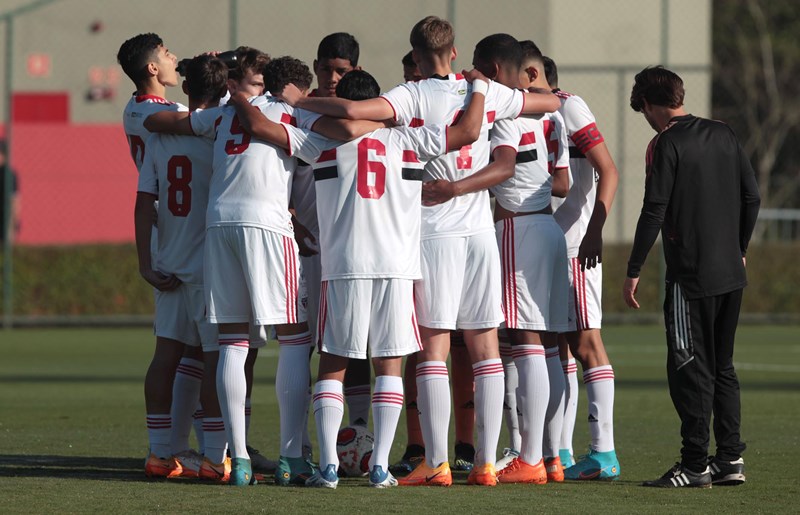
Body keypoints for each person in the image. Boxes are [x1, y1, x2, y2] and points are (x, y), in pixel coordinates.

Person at [281, 20, 560, 488]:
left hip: (430, 235)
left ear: (415, 54)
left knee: (430, 350)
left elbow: (350, 115)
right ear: (453, 51)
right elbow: (550, 102)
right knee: (485, 347)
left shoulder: (409, 98)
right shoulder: (486, 91)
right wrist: (483, 87)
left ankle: (436, 462)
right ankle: (488, 464)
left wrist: (299, 102)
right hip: (480, 234)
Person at [230, 68, 488, 488]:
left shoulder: (322, 142)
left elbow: (261, 126)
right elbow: (466, 133)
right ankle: (380, 467)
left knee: (333, 365)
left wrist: (240, 96)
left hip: (343, 266)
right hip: (397, 266)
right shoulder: (409, 139)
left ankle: (329, 467)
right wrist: (478, 87)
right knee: (390, 364)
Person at [625, 65, 760, 488]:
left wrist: (633, 269)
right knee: (723, 367)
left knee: (689, 368)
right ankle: (730, 459)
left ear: (649, 104)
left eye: (643, 109)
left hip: (690, 278)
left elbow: (654, 210)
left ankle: (694, 463)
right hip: (731, 275)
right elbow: (751, 196)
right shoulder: (723, 132)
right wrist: (740, 248)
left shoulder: (664, 144)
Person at [135, 54, 228, 481]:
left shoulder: (158, 132)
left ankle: (159, 453)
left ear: (186, 89)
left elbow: (143, 203)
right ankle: (214, 456)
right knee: (216, 360)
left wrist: (146, 261)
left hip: (169, 257)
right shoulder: (223, 129)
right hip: (210, 261)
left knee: (165, 355)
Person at [482, 39, 570, 484]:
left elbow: (501, 169)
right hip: (548, 226)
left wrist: (457, 188)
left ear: (497, 70)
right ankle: (552, 456)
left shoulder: (505, 115)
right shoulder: (551, 114)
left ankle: (530, 457)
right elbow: (564, 181)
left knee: (526, 340)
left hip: (519, 227)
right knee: (549, 344)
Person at [545, 54, 622, 481]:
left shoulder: (568, 106)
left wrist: (595, 230)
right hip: (549, 245)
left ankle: (604, 452)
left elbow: (607, 171)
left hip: (575, 246)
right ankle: (560, 450)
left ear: (534, 73)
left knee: (586, 343)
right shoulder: (530, 112)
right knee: (558, 348)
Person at [0, 141, 20, 244]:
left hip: (5, 219)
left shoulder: (8, 174)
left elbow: (14, 199)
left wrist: (15, 221)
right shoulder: (10, 174)